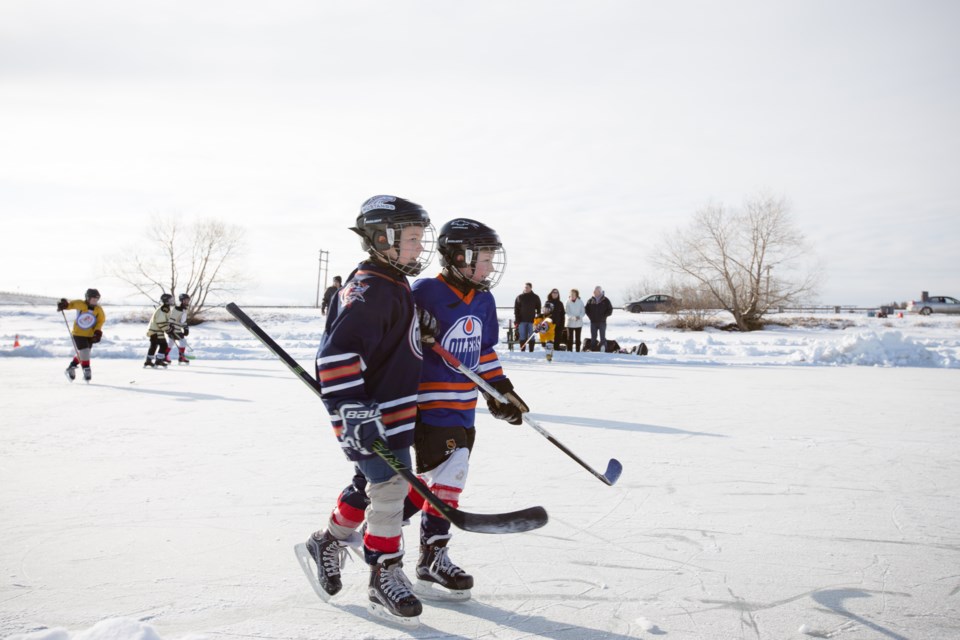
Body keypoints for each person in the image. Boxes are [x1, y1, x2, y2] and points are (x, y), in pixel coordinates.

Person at [304, 195, 436, 625]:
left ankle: (327, 541)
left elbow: (389, 340)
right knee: (391, 489)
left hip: (390, 413)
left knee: (371, 484)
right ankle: (385, 571)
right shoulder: (372, 289)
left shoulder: (391, 283)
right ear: (382, 238)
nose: (420, 247)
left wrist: (421, 324)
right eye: (412, 239)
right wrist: (352, 409)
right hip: (367, 416)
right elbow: (336, 355)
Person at [405, 218, 528, 601]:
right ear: (458, 256)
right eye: (484, 258)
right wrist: (415, 326)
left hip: (464, 406)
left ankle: (379, 529)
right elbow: (394, 333)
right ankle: (434, 554)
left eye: (492, 258)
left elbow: (484, 351)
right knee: (452, 475)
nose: (490, 267)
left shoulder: (485, 299)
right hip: (430, 404)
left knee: (432, 482)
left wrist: (499, 390)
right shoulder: (424, 291)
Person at [57, 288, 105, 382]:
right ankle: (86, 369)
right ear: (87, 298)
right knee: (85, 351)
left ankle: (71, 367)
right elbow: (71, 305)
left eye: (96, 299)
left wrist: (97, 332)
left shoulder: (98, 309)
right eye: (93, 299)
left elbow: (100, 321)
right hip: (78, 333)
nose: (95, 301)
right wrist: (65, 305)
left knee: (84, 353)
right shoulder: (80, 304)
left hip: (90, 334)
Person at [145, 294, 175, 368]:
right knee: (163, 345)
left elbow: (164, 320)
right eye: (170, 300)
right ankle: (158, 361)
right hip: (156, 331)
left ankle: (148, 361)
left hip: (154, 330)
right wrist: (169, 330)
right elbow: (160, 322)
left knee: (154, 346)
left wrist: (169, 326)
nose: (172, 301)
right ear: (166, 301)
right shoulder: (164, 309)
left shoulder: (164, 308)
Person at [513, 282, 541, 352]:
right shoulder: (519, 297)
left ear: (531, 288)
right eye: (525, 287)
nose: (526, 288)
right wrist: (517, 320)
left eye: (527, 287)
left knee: (531, 337)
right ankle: (523, 351)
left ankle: (531, 351)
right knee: (522, 337)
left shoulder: (535, 297)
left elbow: (539, 308)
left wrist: (538, 318)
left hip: (532, 321)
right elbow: (516, 309)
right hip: (522, 321)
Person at [585, 285, 613, 352]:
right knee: (593, 337)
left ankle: (603, 348)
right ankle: (592, 349)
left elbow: (610, 310)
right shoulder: (590, 300)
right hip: (593, 322)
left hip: (602, 322)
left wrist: (604, 316)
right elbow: (586, 310)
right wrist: (590, 317)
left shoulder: (605, 300)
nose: (595, 292)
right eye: (594, 291)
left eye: (597, 291)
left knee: (602, 337)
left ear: (600, 292)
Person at [166, 293, 191, 364]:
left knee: (170, 343)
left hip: (177, 328)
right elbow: (171, 319)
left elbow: (182, 321)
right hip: (174, 329)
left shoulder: (184, 309)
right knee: (183, 342)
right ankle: (181, 357)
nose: (187, 301)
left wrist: (186, 328)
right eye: (185, 300)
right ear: (182, 300)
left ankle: (164, 356)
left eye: (188, 300)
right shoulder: (177, 309)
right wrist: (169, 330)